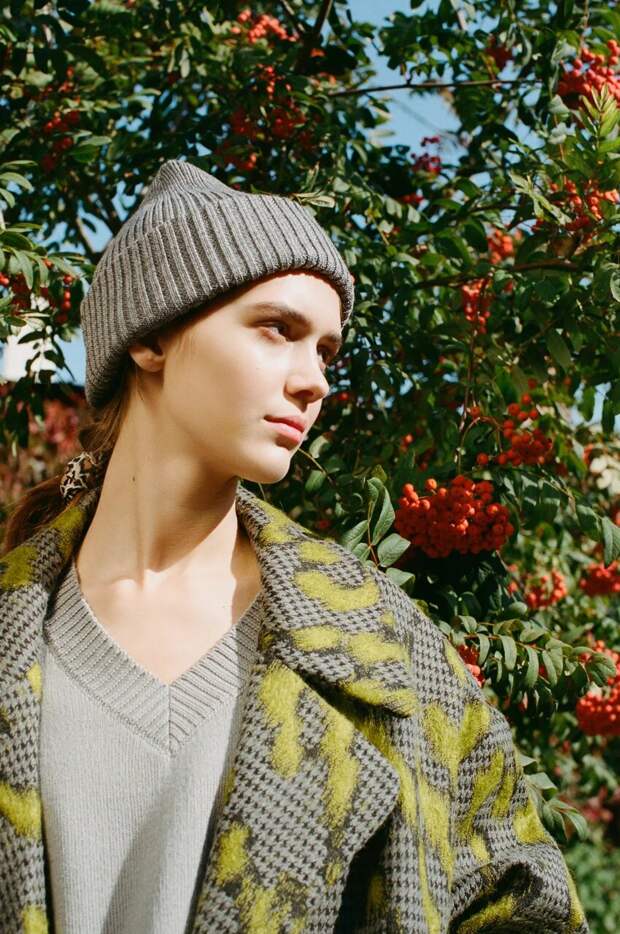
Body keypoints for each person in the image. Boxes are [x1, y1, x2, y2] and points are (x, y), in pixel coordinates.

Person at [0, 160, 588, 934]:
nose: (314, 382)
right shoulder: (16, 629)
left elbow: (528, 903)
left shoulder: (380, 642)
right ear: (150, 338)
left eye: (326, 351)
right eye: (278, 329)